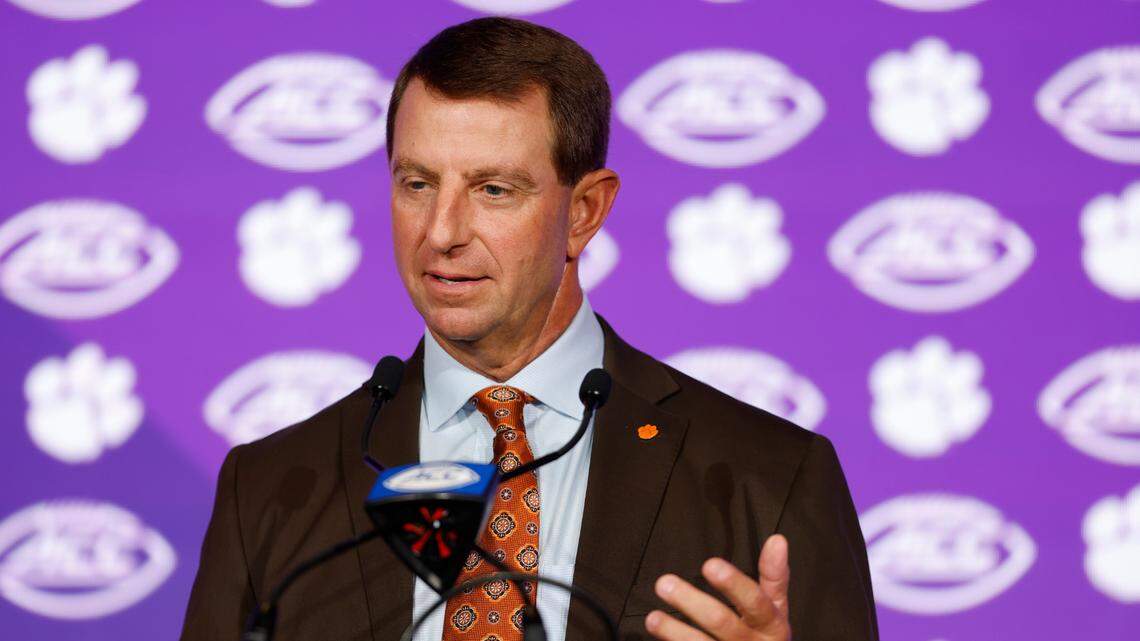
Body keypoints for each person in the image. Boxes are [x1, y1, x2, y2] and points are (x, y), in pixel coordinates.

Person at [180, 16, 878, 641]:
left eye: (493, 190)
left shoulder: (768, 477)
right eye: (417, 183)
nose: (442, 232)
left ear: (585, 212)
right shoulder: (270, 488)